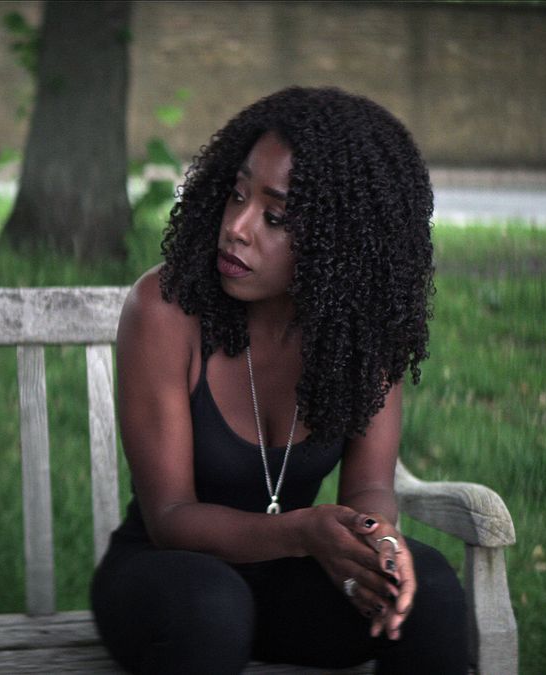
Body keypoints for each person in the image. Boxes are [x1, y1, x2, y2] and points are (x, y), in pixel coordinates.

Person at [90, 87, 467, 673]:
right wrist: (304, 532)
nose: (236, 228)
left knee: (430, 590)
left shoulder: (362, 334)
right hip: (168, 577)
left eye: (275, 216)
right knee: (213, 609)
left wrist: (376, 542)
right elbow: (171, 517)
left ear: (338, 240)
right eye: (237, 195)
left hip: (289, 581)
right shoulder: (166, 310)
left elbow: (368, 486)